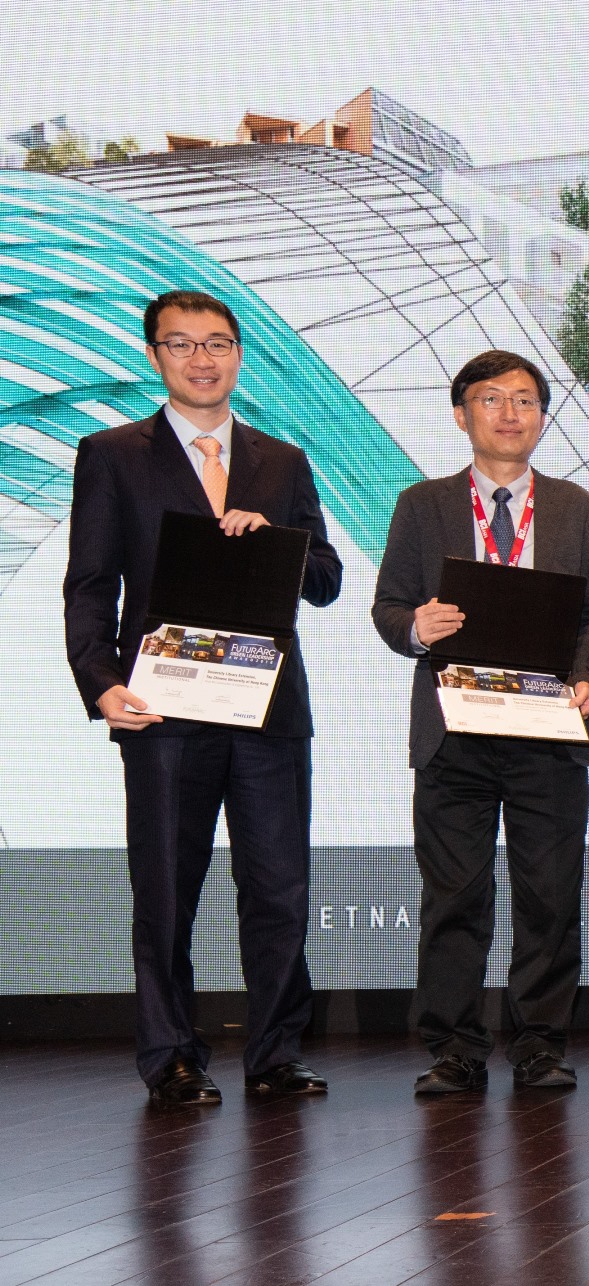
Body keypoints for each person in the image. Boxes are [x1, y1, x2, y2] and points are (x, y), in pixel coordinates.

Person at [63, 289, 343, 1105]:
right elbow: (90, 585)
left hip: (266, 709)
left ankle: (277, 1052)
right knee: (164, 887)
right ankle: (171, 1054)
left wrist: (277, 544)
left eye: (217, 343)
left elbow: (325, 580)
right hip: (161, 709)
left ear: (238, 353)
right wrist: (101, 684)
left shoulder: (282, 461)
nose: (201, 358)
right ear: (155, 357)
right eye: (181, 345)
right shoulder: (112, 454)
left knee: (278, 887)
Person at [371, 350, 589, 1095]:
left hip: (547, 729)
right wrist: (417, 625)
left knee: (549, 894)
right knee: (455, 896)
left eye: (525, 401)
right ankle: (454, 1047)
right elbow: (387, 607)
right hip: (455, 730)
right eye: (491, 399)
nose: (509, 413)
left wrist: (586, 677)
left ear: (542, 417)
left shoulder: (575, 506)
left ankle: (540, 1042)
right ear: (460, 413)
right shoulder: (422, 503)